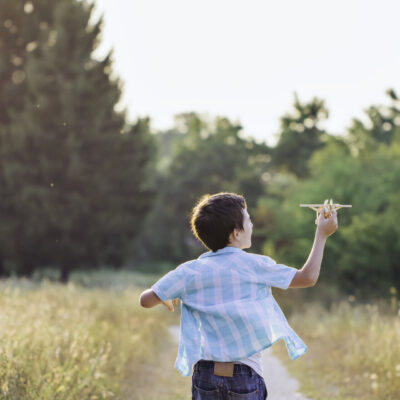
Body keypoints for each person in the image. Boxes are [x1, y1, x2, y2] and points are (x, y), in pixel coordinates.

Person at [139, 192, 338, 399]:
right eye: (248, 220)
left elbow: (145, 300)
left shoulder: (189, 271)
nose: (252, 224)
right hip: (244, 375)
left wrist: (164, 297)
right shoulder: (255, 264)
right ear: (236, 233)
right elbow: (307, 277)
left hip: (204, 375)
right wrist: (321, 235)